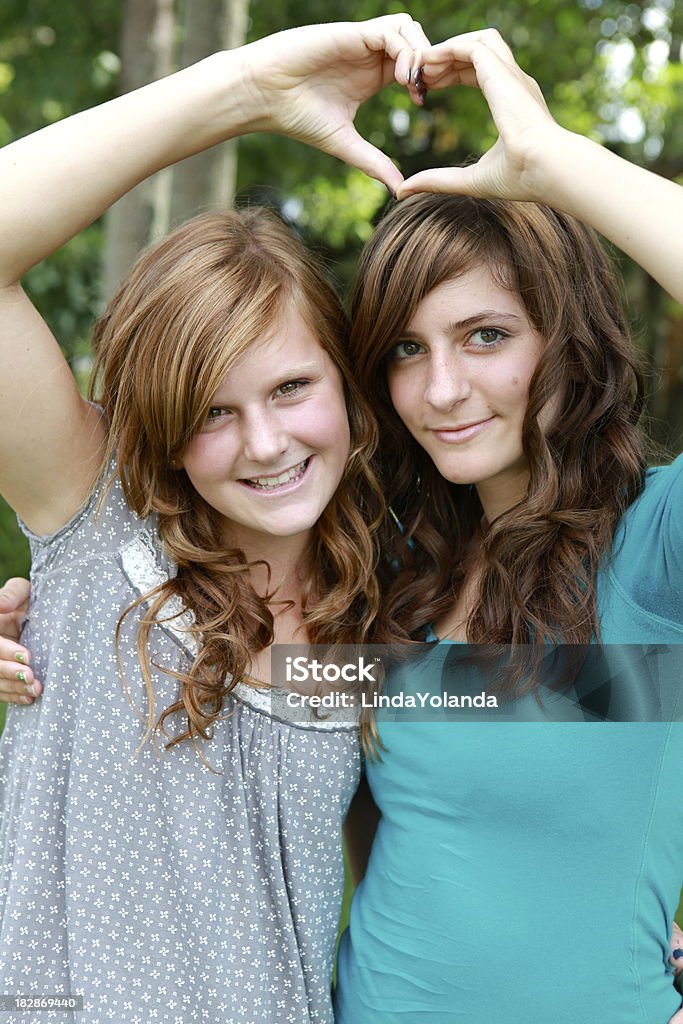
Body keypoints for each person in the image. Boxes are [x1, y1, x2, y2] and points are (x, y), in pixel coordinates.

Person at [0, 16, 431, 1023]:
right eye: (211, 412)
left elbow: (600, 729)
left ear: (347, 381)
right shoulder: (97, 511)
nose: (266, 444)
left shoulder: (388, 595)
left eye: (291, 387)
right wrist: (239, 86)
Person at [333, 28, 683, 1024]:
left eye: (484, 335)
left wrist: (553, 163)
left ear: (562, 337)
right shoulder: (394, 566)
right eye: (406, 348)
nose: (440, 389)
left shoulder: (648, 549)